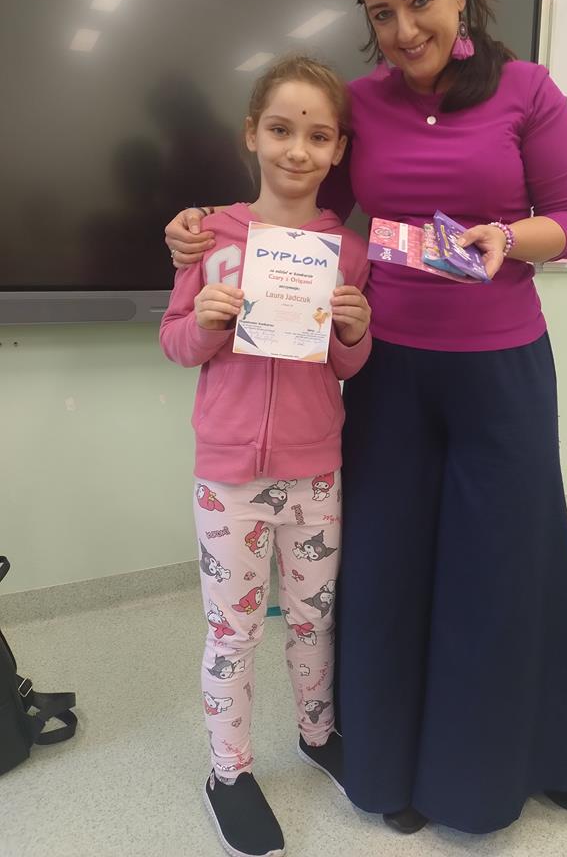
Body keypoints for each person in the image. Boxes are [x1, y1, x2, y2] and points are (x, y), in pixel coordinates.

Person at [165, 0, 567, 837]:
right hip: (389, 370)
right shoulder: (359, 107)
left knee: (505, 564)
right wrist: (199, 234)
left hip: (501, 370)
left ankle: (531, 754)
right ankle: (385, 757)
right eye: (380, 13)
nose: (403, 29)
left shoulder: (529, 91)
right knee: (389, 569)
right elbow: (294, 202)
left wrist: (508, 236)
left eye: (419, 2)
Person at [160, 55, 371, 857]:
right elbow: (176, 342)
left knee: (314, 620)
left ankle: (317, 737)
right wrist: (206, 321)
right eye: (281, 129)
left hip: (315, 471)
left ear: (338, 149)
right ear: (252, 133)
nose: (297, 150)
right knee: (234, 633)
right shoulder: (209, 235)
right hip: (229, 479)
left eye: (318, 136)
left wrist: (355, 331)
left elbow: (348, 363)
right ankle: (228, 773)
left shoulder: (347, 251)